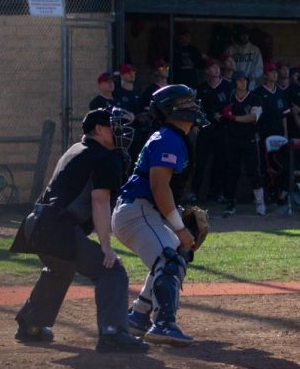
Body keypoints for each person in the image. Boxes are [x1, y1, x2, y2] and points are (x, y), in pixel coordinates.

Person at [10, 108, 147, 353]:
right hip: (56, 228)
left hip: (35, 223)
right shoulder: (104, 156)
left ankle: (31, 324)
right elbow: (100, 201)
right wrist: (106, 247)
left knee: (60, 268)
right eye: (114, 126)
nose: (121, 131)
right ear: (99, 130)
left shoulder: (77, 148)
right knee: (111, 271)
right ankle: (113, 333)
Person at [112, 85, 207, 346]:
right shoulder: (169, 138)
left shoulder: (173, 136)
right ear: (172, 109)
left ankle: (139, 316)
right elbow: (158, 186)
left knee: (178, 254)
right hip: (136, 211)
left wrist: (175, 219)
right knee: (169, 260)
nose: (193, 106)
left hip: (143, 211)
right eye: (186, 102)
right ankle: (163, 324)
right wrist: (178, 227)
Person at [222, 70, 266, 217]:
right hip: (232, 139)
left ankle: (260, 204)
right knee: (232, 172)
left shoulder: (255, 98)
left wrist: (233, 117)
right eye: (240, 80)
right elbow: (222, 116)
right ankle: (230, 203)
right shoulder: (230, 99)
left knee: (254, 171)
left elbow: (253, 117)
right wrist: (222, 115)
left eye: (245, 80)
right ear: (235, 82)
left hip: (250, 139)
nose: (243, 82)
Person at [189, 59, 232, 204]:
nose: (216, 70)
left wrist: (224, 115)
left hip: (222, 129)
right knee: (200, 162)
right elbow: (197, 109)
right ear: (207, 71)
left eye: (217, 67)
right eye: (212, 68)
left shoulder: (227, 86)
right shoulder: (202, 88)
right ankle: (194, 192)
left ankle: (216, 193)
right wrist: (196, 124)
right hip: (205, 129)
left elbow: (232, 106)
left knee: (220, 162)